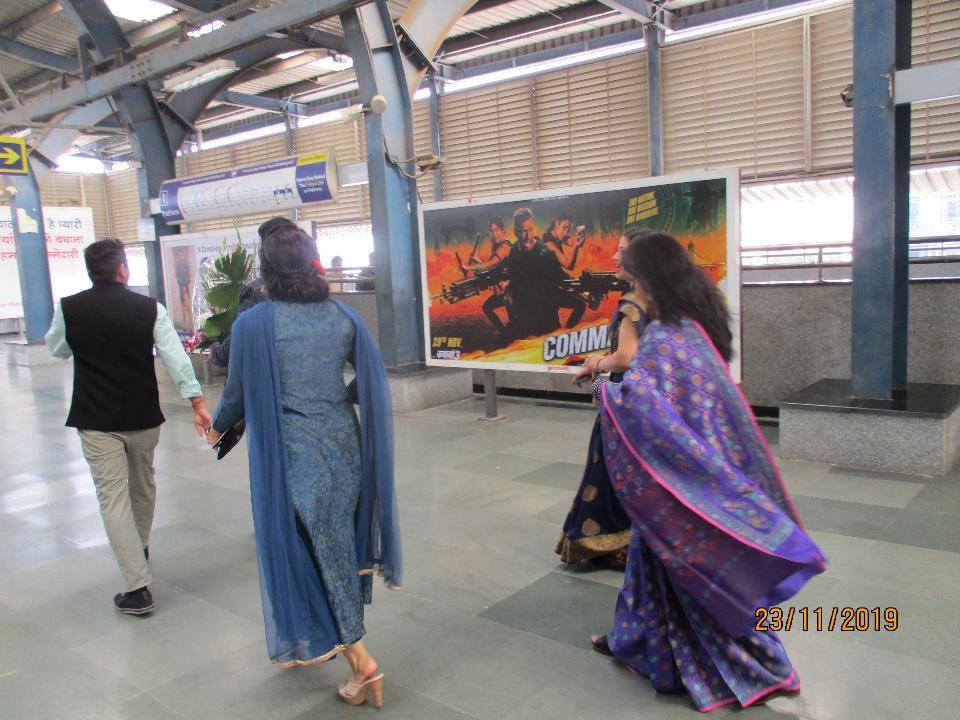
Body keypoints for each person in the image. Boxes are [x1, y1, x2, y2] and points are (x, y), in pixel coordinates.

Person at [589, 231, 827, 712]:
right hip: (703, 475)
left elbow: (642, 408)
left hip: (684, 486)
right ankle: (632, 642)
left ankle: (763, 666)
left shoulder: (662, 341)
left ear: (650, 279)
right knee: (648, 560)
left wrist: (603, 389)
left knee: (696, 573)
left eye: (633, 277)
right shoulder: (693, 331)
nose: (631, 285)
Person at [207, 225, 400, 708]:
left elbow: (237, 391)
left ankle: (362, 662)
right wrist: (336, 397)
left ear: (267, 269)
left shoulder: (254, 323)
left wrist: (218, 426)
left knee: (318, 553)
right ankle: (346, 647)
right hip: (343, 445)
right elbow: (369, 380)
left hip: (293, 455)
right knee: (334, 545)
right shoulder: (342, 316)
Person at [45, 239, 212, 615]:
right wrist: (197, 402)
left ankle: (137, 587)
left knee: (113, 498)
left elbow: (56, 348)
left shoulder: (70, 308)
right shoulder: (148, 309)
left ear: (91, 271)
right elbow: (174, 356)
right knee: (143, 487)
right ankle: (138, 555)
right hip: (142, 416)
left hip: (96, 418)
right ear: (123, 269)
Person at [558, 232, 648, 566]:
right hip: (651, 406)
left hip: (625, 402)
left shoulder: (632, 305)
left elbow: (625, 358)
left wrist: (595, 364)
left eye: (621, 251)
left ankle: (610, 545)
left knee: (608, 470)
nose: (613, 256)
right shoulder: (662, 301)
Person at [501, 208, 572, 339]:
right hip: (524, 321)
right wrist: (505, 287)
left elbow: (561, 276)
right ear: (516, 231)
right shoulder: (514, 252)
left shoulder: (545, 251)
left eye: (531, 229)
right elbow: (512, 278)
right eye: (523, 231)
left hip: (547, 319)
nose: (528, 236)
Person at [460, 216, 512, 335]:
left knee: (513, 318)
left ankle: (510, 334)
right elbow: (493, 267)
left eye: (496, 230)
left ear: (502, 230)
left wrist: (468, 267)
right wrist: (475, 260)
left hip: (512, 290)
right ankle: (504, 332)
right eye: (491, 231)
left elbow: (490, 264)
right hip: (504, 290)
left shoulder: (505, 246)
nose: (494, 234)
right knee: (487, 307)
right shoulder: (499, 247)